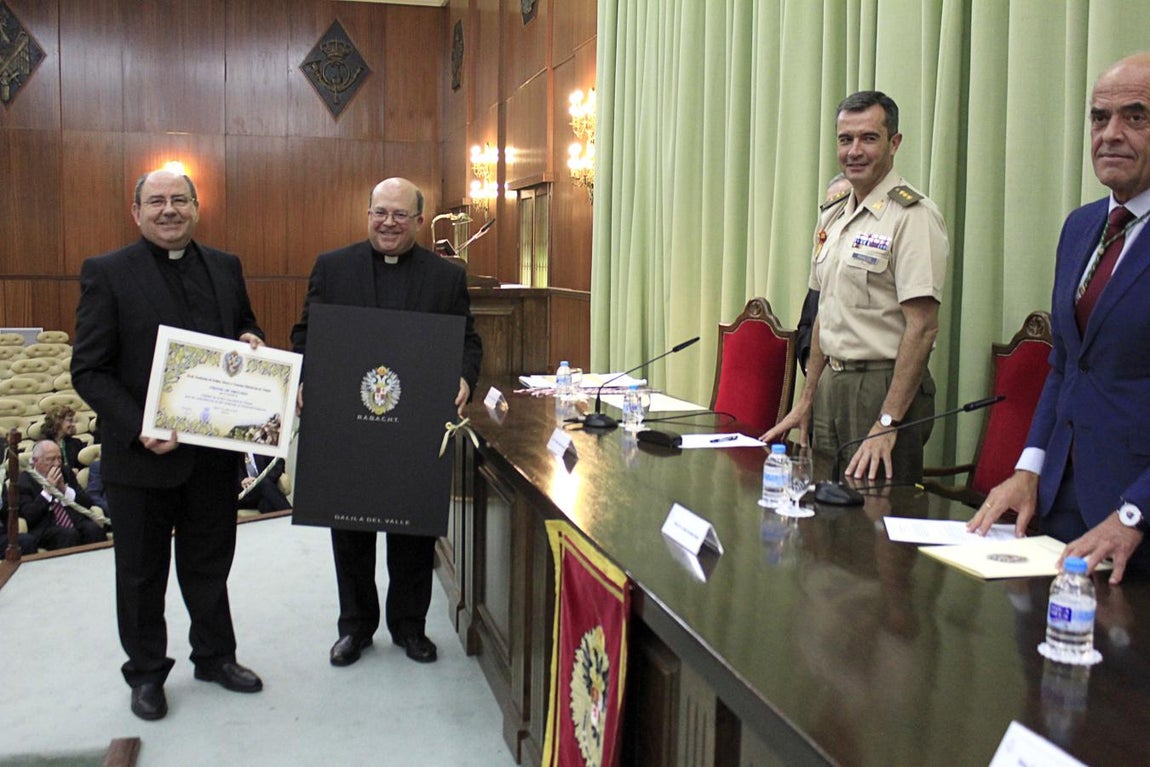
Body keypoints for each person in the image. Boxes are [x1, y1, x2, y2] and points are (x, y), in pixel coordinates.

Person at [71, 169, 266, 722]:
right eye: (156, 201)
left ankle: (214, 657)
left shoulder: (226, 266)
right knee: (140, 572)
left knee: (209, 563)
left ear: (197, 207)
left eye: (179, 199)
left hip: (213, 455)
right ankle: (147, 674)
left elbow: (244, 325)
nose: (168, 210)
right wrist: (139, 426)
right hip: (141, 457)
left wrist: (251, 339)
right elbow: (88, 369)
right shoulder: (107, 273)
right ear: (136, 213)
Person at [969, 53, 1150, 584]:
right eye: (1099, 117)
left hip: (1134, 524)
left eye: (1135, 116)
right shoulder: (1081, 226)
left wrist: (1135, 511)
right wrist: (1030, 468)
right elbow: (1066, 365)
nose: (1111, 134)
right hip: (1059, 505)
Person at [291, 177, 482, 667]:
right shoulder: (332, 268)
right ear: (368, 214)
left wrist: (463, 377)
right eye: (380, 212)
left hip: (413, 426)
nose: (389, 222)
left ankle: (409, 627)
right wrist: (306, 380)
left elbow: (467, 340)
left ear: (418, 220)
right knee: (349, 527)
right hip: (350, 424)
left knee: (412, 530)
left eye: (400, 214)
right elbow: (306, 334)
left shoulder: (446, 277)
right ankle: (354, 628)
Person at [764, 91, 948, 483]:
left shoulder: (912, 216)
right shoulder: (833, 216)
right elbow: (824, 317)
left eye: (869, 138)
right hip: (831, 384)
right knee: (825, 513)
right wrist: (808, 398)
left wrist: (886, 421)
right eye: (845, 140)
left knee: (875, 520)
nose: (854, 151)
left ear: (894, 143)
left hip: (882, 387)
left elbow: (923, 327)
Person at [795, 173, 853, 376]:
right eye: (830, 207)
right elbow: (806, 325)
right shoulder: (822, 254)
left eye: (842, 206)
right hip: (824, 381)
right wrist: (811, 364)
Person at [3, 440, 106, 551]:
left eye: (59, 458)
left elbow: (87, 502)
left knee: (93, 529)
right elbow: (29, 515)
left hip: (73, 519)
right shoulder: (23, 481)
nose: (57, 463)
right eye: (51, 459)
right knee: (68, 535)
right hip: (44, 526)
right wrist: (48, 491)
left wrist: (64, 489)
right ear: (35, 461)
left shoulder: (65, 471)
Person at [39, 406, 84, 479]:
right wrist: (68, 472)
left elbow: (82, 467)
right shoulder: (43, 446)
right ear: (58, 421)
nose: (73, 424)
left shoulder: (76, 443)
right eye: (70, 421)